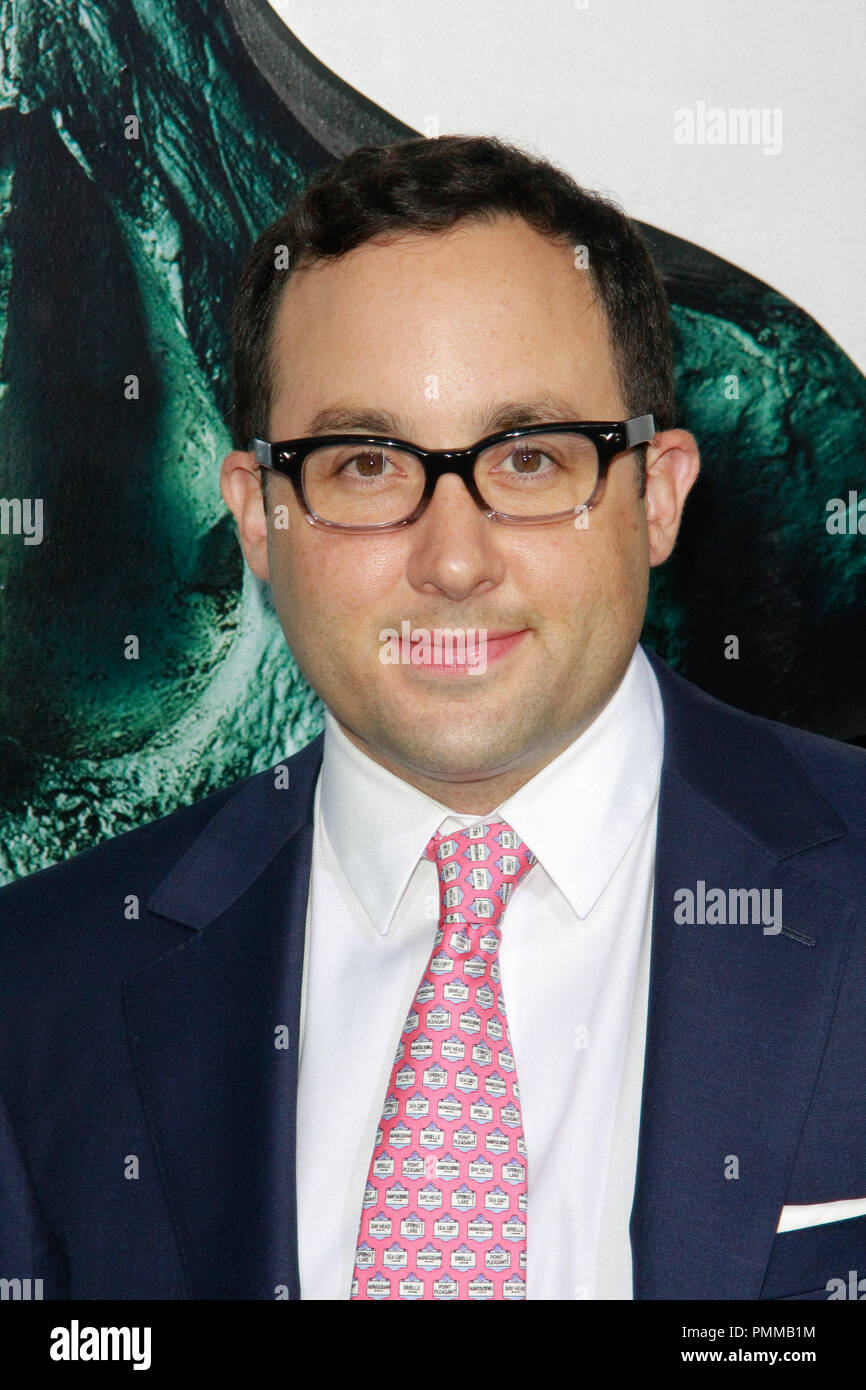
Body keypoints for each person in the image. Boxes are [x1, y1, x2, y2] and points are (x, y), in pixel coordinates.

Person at [1, 135, 864, 1303]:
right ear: (257, 517)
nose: (452, 559)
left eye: (527, 458)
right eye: (363, 466)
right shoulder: (40, 991)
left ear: (656, 495)